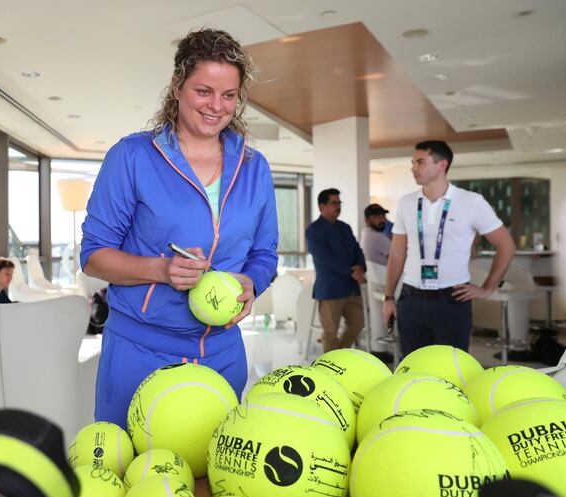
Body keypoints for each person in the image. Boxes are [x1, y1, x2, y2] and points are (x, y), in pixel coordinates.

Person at [80, 29, 278, 428]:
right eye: (203, 91)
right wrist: (161, 270)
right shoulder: (132, 157)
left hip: (222, 353)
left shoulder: (255, 167)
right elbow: (94, 256)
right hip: (140, 349)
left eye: (229, 95)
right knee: (128, 474)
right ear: (177, 86)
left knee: (212, 478)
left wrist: (251, 283)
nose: (217, 107)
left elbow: (264, 253)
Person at [382, 140, 515, 354]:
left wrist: (487, 288)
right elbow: (397, 253)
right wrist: (388, 298)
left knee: (451, 371)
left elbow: (506, 245)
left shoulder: (471, 202)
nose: (413, 168)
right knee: (413, 370)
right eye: (412, 163)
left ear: (442, 165)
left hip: (452, 300)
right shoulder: (407, 203)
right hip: (411, 298)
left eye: (420, 162)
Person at [306, 188, 366, 353]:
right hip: (330, 289)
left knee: (358, 324)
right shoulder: (314, 230)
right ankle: (329, 370)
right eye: (334, 203)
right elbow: (324, 259)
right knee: (330, 333)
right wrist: (351, 271)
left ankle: (338, 356)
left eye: (339, 203)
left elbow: (357, 250)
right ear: (322, 206)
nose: (338, 206)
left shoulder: (345, 228)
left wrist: (361, 267)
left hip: (351, 288)